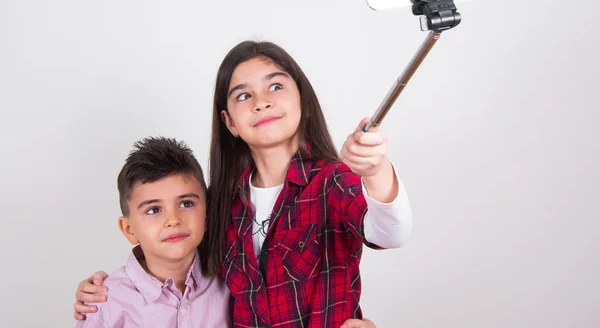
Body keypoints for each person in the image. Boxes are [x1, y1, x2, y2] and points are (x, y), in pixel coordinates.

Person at [74, 41, 413, 327]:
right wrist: (110, 290)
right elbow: (178, 256)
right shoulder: (223, 200)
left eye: (275, 87)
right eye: (242, 96)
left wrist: (375, 169)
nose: (261, 102)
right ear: (229, 122)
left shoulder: (333, 182)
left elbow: (391, 233)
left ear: (302, 101)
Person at [75, 136, 231, 327]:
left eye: (186, 203)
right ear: (129, 230)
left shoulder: (230, 282)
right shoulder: (106, 303)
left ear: (207, 217)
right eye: (154, 210)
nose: (173, 220)